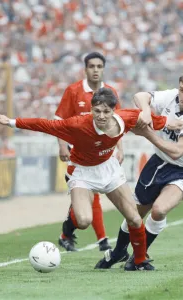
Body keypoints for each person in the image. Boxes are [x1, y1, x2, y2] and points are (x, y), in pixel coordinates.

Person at [0, 87, 183, 271]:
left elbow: (149, 120)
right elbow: (44, 125)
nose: (101, 116)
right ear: (91, 109)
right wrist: (10, 121)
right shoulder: (77, 124)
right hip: (83, 172)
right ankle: (71, 219)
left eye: (106, 111)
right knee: (84, 220)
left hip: (109, 169)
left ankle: (140, 261)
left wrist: (169, 122)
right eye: (97, 111)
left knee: (134, 219)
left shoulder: (125, 118)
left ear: (114, 110)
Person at [95, 72, 183, 271]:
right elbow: (140, 96)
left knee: (159, 210)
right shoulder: (172, 97)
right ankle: (119, 252)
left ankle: (138, 257)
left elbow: (176, 152)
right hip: (157, 164)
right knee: (135, 214)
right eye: (182, 89)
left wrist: (148, 134)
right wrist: (146, 111)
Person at [55, 52, 123, 252]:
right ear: (85, 69)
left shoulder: (110, 93)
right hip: (78, 153)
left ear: (103, 69)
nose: (95, 70)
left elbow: (118, 122)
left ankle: (68, 233)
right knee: (91, 195)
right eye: (91, 66)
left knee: (92, 196)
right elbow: (59, 121)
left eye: (99, 66)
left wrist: (120, 148)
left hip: (103, 151)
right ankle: (101, 239)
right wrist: (61, 145)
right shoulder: (74, 91)